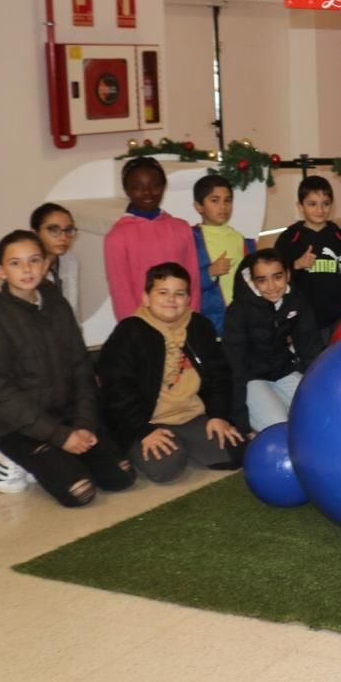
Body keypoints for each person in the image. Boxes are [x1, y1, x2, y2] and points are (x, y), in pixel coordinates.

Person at [0, 230, 135, 505]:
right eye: (15, 263)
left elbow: (81, 366)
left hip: (68, 415)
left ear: (46, 264)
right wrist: (58, 436)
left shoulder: (58, 304)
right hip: (19, 425)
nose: (27, 269)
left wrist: (84, 423)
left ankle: (58, 456)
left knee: (120, 478)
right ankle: (13, 458)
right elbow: (1, 392)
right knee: (79, 493)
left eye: (34, 260)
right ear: (0, 271)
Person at [96, 262, 245, 483]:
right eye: (162, 292)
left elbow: (219, 375)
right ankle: (154, 445)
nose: (171, 299)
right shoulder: (129, 331)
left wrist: (218, 415)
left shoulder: (199, 326)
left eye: (179, 293)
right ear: (146, 298)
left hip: (191, 415)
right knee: (167, 468)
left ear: (188, 299)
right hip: (147, 420)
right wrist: (143, 430)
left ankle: (186, 440)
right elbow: (116, 389)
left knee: (236, 452)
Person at [222, 250, 323, 432]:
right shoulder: (238, 311)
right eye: (262, 280)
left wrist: (323, 386)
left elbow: (310, 348)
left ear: (288, 274)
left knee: (319, 412)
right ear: (253, 281)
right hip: (251, 378)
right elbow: (235, 367)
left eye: (277, 277)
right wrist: (241, 424)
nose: (271, 286)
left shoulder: (296, 300)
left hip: (283, 370)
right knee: (280, 428)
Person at [104, 156, 200, 322]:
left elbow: (193, 280)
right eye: (138, 187)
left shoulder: (181, 228)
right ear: (127, 190)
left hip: (181, 322)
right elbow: (121, 291)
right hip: (142, 325)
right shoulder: (117, 237)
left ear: (163, 187)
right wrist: (135, 328)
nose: (147, 193)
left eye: (154, 186)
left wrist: (191, 319)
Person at [276, 175, 341, 337]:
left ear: (332, 205)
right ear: (300, 206)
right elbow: (275, 276)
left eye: (325, 204)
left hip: (340, 317)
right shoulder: (289, 239)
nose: (320, 210)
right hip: (304, 319)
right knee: (311, 361)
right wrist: (296, 265)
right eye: (312, 204)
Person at [190, 173, 254, 334]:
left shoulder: (241, 240)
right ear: (198, 206)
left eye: (228, 200)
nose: (223, 207)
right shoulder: (191, 239)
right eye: (214, 200)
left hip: (242, 323)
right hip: (209, 324)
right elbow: (183, 281)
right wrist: (209, 272)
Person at [30, 203, 80, 319]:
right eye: (53, 230)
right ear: (34, 234)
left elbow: (73, 312)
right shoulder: (26, 268)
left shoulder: (70, 261)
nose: (63, 237)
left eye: (68, 230)